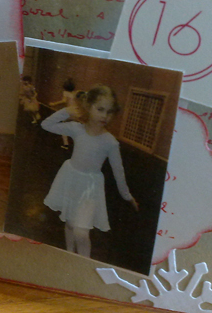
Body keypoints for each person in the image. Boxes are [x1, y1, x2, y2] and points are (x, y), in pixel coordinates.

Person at [41, 84, 139, 259]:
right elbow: (46, 124)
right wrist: (66, 111)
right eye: (100, 109)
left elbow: (119, 171)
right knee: (70, 223)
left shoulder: (110, 142)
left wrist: (127, 196)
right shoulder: (76, 129)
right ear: (88, 106)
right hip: (71, 179)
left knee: (81, 232)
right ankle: (69, 254)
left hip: (90, 188)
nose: (104, 116)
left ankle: (83, 262)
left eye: (109, 112)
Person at [49, 77, 77, 148]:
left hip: (69, 112)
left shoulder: (65, 92)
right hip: (75, 112)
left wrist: (54, 104)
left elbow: (64, 101)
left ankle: (66, 144)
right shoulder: (74, 93)